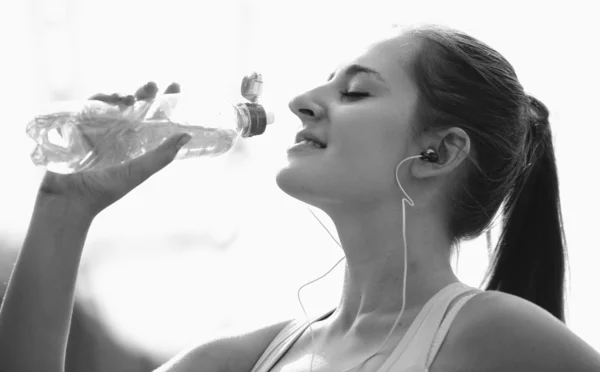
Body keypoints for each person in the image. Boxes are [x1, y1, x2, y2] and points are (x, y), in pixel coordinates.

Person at [1, 24, 600, 372]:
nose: (302, 101)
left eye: (357, 92)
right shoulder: (248, 361)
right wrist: (64, 209)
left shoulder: (491, 335)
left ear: (439, 153)